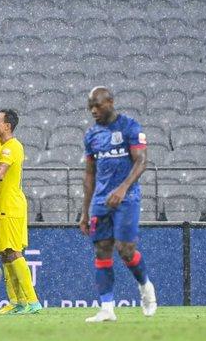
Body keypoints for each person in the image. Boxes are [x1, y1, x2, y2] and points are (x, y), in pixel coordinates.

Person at [80, 86, 157, 322]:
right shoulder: (92, 135)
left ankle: (145, 287)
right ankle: (107, 308)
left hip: (127, 199)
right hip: (101, 201)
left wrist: (123, 188)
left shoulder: (130, 127)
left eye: (98, 105)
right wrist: (85, 212)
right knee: (102, 249)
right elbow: (90, 174)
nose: (93, 110)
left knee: (125, 251)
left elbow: (141, 161)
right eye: (90, 106)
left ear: (111, 102)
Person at [0, 109, 42, 315]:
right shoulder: (2, 147)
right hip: (3, 206)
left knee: (13, 252)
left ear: (7, 126)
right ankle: (16, 301)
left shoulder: (11, 147)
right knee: (5, 253)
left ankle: (32, 301)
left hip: (10, 206)